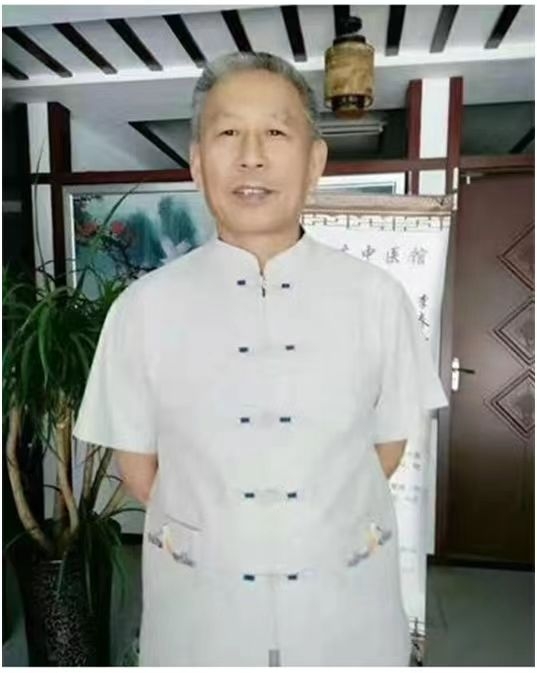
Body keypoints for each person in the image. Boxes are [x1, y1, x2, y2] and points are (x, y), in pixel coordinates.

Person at [73, 51, 449, 666]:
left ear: (315, 162)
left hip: (343, 605)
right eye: (228, 133)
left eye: (276, 131)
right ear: (198, 164)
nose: (252, 156)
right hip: (203, 607)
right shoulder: (142, 308)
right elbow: (140, 470)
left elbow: (387, 447)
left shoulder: (377, 297)